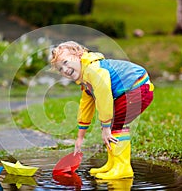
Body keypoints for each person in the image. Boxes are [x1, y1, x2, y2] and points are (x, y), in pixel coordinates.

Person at [50, 41, 154, 179]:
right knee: (113, 125)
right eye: (60, 69)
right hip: (133, 89)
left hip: (137, 87)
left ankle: (122, 168)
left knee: (115, 126)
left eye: (65, 62)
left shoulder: (93, 70)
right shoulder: (86, 80)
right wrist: (80, 138)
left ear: (79, 55)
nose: (64, 70)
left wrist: (105, 126)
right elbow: (85, 107)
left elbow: (104, 95)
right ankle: (113, 164)